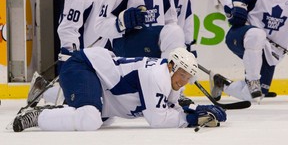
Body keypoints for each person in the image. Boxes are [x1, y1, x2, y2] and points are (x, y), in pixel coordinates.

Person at [12, 47, 227, 132]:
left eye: (188, 77)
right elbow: (158, 119)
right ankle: (38, 117)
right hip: (85, 66)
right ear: (171, 66)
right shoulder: (157, 75)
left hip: (101, 87)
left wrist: (195, 109)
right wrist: (192, 119)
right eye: (182, 74)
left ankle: (47, 92)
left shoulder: (168, 77)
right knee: (90, 118)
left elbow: (172, 107)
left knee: (102, 117)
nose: (184, 81)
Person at [27, 0, 109, 106]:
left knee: (99, 97)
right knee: (78, 99)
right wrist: (70, 52)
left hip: (98, 52)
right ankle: (42, 89)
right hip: (81, 54)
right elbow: (68, 26)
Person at [210, 0, 288, 102]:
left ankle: (221, 84)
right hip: (243, 36)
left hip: (272, 52)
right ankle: (252, 80)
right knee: (258, 35)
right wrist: (233, 11)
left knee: (255, 96)